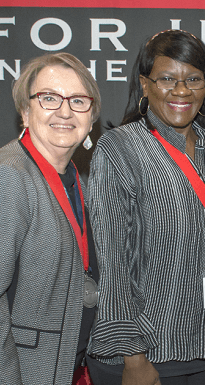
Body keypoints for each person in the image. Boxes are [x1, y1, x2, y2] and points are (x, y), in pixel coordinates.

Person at [86, 30, 205, 384]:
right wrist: (133, 357)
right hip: (148, 356)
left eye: (193, 79)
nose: (181, 90)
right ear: (144, 85)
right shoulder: (119, 149)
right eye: (167, 78)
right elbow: (113, 262)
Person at [0, 52, 100, 383]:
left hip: (72, 367)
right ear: (26, 112)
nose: (65, 111)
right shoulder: (10, 176)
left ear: (91, 115)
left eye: (78, 101)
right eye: (49, 98)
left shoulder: (76, 179)